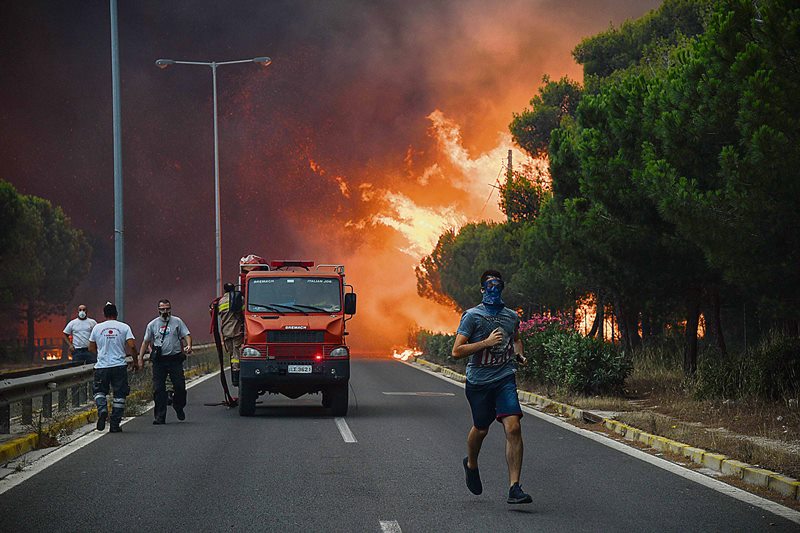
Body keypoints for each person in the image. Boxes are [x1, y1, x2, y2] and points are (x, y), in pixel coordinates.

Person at [451, 270, 532, 504]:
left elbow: (515, 338)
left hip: (504, 378)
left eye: (498, 286)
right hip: (478, 381)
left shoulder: (510, 316)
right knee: (482, 428)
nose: (494, 290)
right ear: (482, 289)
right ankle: (471, 463)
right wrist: (486, 343)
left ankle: (514, 487)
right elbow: (456, 351)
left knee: (514, 427)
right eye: (490, 286)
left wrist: (519, 355)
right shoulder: (472, 316)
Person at [139, 299, 192, 425]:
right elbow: (146, 342)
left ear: (171, 309)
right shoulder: (152, 324)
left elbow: (186, 334)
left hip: (174, 359)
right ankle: (160, 416)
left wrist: (189, 345)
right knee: (158, 389)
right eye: (162, 309)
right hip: (159, 361)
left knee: (180, 386)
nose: (165, 311)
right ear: (158, 310)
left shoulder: (177, 322)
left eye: (167, 308)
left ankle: (178, 406)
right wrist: (140, 358)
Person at [88, 302, 136, 433]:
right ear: (116, 314)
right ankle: (115, 424)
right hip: (119, 366)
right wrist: (136, 362)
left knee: (99, 391)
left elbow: (91, 348)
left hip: (102, 366)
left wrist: (101, 353)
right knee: (119, 395)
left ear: (104, 314)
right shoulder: (124, 327)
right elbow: (132, 346)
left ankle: (102, 410)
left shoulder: (97, 328)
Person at [218, 282, 244, 386]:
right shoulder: (238, 299)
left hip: (226, 332)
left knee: (232, 354)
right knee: (236, 355)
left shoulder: (221, 301)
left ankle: (235, 375)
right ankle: (236, 377)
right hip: (236, 331)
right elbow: (244, 311)